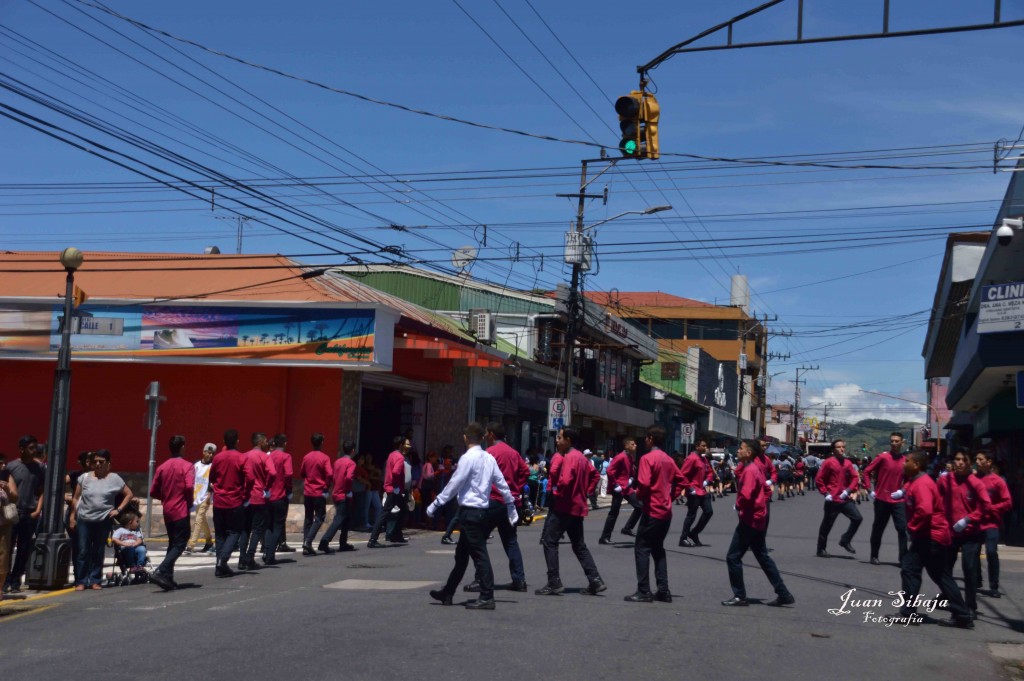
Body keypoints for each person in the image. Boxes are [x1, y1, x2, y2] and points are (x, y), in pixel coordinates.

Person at [427, 422, 518, 610]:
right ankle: (448, 592)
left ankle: (487, 596)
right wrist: (510, 503)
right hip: (481, 512)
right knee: (461, 556)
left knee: (479, 555)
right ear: (482, 438)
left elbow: (455, 483)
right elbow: (501, 482)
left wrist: (437, 503)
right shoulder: (488, 458)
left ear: (465, 437)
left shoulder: (467, 458)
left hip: (470, 512)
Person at [898, 450, 973, 628]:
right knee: (935, 574)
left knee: (912, 570)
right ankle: (961, 614)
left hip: (930, 536)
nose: (903, 463)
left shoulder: (922, 483)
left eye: (907, 461)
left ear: (916, 465)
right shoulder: (914, 481)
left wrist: (911, 527)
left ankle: (909, 613)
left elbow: (925, 510)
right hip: (927, 535)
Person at [721, 439, 794, 607]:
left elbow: (746, 496)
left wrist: (739, 505)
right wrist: (761, 505)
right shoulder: (755, 468)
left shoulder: (749, 470)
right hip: (758, 518)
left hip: (750, 520)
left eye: (741, 448)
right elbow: (766, 490)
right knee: (762, 556)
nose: (738, 451)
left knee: (733, 557)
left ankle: (739, 595)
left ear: (748, 453)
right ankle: (783, 593)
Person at [535, 427, 606, 597]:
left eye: (560, 437)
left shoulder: (570, 457)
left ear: (568, 440)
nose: (557, 440)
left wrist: (557, 494)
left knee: (549, 541)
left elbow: (565, 481)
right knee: (579, 545)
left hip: (564, 506)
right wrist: (586, 492)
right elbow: (595, 476)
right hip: (577, 506)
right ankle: (595, 579)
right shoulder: (581, 457)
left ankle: (554, 581)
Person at [462, 422, 529, 593]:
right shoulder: (513, 452)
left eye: (486, 433)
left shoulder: (489, 453)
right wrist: (516, 487)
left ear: (491, 434)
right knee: (511, 541)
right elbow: (525, 472)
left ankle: (481, 579)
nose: (485, 436)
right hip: (510, 502)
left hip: (493, 501)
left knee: (478, 540)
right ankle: (519, 580)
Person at [625, 425, 685, 603]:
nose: (645, 440)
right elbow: (682, 481)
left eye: (646, 437)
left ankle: (644, 590)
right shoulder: (668, 459)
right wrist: (670, 497)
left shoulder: (647, 458)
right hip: (665, 512)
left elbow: (643, 483)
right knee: (658, 549)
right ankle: (663, 590)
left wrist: (639, 496)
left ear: (650, 438)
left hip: (652, 510)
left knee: (642, 548)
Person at [937, 449, 990, 620]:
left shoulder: (975, 483)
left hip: (971, 533)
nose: (959, 463)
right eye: (957, 459)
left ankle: (970, 606)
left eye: (963, 460)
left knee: (969, 568)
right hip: (950, 531)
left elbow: (985, 505)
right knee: (945, 568)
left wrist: (968, 519)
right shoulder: (945, 480)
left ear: (969, 463)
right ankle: (948, 597)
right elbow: (937, 500)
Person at [70, 449, 134, 591]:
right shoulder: (84, 478)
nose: (98, 464)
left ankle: (95, 580)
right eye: (95, 462)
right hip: (84, 519)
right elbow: (76, 498)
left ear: (108, 463)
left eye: (101, 462)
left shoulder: (115, 479)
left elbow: (129, 494)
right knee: (83, 550)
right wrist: (72, 516)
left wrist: (118, 510)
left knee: (98, 551)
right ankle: (81, 581)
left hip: (103, 520)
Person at [148, 434, 195, 590]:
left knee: (173, 543)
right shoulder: (187, 466)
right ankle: (161, 570)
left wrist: (165, 497)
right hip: (180, 509)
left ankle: (168, 576)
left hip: (167, 509)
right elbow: (189, 486)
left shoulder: (162, 467)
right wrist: (189, 501)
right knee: (181, 542)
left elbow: (153, 491)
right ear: (182, 447)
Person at [3, 436, 44, 594]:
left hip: (29, 513)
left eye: (35, 448)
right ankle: (5, 580)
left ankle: (15, 581)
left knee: (24, 549)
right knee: (7, 548)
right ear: (21, 449)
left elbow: (42, 491)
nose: (34, 451)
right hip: (12, 512)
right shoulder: (11, 467)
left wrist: (37, 510)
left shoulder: (39, 468)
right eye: (31, 448)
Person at [864, 432, 909, 566]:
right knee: (878, 528)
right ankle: (874, 555)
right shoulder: (883, 457)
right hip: (882, 499)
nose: (894, 443)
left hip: (897, 500)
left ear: (902, 443)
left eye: (897, 441)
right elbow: (866, 472)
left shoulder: (905, 461)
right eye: (892, 441)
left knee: (903, 529)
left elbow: (909, 479)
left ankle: (903, 558)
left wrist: (902, 491)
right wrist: (869, 489)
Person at [209, 429, 250, 578]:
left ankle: (219, 565)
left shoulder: (218, 458)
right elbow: (250, 478)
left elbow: (212, 477)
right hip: (235, 500)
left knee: (220, 534)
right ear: (237, 441)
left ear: (224, 442)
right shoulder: (241, 457)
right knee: (235, 532)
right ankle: (222, 560)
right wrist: (245, 494)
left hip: (219, 500)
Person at [815, 439, 862, 558]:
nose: (842, 449)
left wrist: (848, 490)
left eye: (843, 447)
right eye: (838, 447)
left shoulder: (848, 463)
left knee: (857, 518)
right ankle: (821, 549)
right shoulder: (828, 462)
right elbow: (819, 479)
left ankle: (845, 540)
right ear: (833, 449)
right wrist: (826, 493)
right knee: (827, 524)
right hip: (832, 499)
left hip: (844, 499)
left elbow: (855, 477)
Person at [974, 451, 1011, 598]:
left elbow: (1007, 502)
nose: (977, 462)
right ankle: (976, 580)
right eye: (976, 459)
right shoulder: (972, 479)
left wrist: (992, 509)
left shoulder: (998, 481)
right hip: (975, 523)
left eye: (980, 459)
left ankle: (994, 585)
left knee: (991, 552)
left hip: (991, 523)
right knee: (973, 552)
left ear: (988, 462)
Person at [239, 432, 275, 570]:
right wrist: (267, 486)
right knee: (257, 529)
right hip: (259, 495)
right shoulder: (264, 456)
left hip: (246, 496)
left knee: (245, 529)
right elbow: (272, 473)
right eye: (265, 441)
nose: (267, 444)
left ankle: (242, 558)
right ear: (260, 442)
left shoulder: (244, 456)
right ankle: (250, 557)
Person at [368, 436, 411, 548]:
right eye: (405, 444)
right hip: (394, 489)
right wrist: (396, 486)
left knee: (403, 509)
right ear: (401, 445)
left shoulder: (391, 455)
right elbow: (396, 472)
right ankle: (373, 539)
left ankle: (396, 534)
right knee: (385, 513)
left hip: (391, 488)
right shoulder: (400, 457)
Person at [599, 437, 642, 544]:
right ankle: (604, 537)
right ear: (626, 446)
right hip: (618, 488)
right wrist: (615, 485)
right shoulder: (620, 457)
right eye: (632, 444)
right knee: (614, 513)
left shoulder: (630, 457)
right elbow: (610, 470)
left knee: (639, 507)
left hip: (626, 488)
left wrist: (631, 479)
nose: (635, 446)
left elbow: (631, 471)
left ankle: (627, 528)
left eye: (635, 444)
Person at [319, 441, 357, 553]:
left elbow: (331, 475)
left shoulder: (337, 462)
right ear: (353, 451)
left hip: (336, 492)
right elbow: (349, 477)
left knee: (346, 518)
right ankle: (324, 541)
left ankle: (343, 543)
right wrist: (348, 491)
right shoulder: (351, 463)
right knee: (339, 519)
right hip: (344, 494)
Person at [678, 438, 715, 547]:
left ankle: (694, 533)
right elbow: (682, 475)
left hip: (702, 490)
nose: (705, 448)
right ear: (697, 447)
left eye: (706, 446)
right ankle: (683, 538)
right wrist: (689, 488)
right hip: (694, 491)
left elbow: (710, 472)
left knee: (709, 511)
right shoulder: (691, 458)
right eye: (703, 446)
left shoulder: (704, 459)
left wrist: (707, 480)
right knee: (691, 515)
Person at [299, 433, 332, 555]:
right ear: (322, 442)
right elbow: (329, 474)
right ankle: (308, 541)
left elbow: (302, 472)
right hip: (319, 491)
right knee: (319, 517)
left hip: (308, 491)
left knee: (308, 518)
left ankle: (305, 545)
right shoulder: (325, 458)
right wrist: (326, 486)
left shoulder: (306, 457)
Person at [264, 434, 293, 565]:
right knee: (278, 526)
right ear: (285, 443)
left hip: (268, 495)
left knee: (269, 526)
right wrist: (289, 490)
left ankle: (266, 551)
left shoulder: (268, 456)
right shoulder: (286, 457)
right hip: (280, 495)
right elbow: (288, 474)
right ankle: (270, 555)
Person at [185, 443, 215, 555]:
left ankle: (191, 545)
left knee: (198, 520)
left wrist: (209, 494)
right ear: (204, 452)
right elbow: (192, 480)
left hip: (206, 496)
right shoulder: (196, 465)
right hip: (196, 496)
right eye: (209, 452)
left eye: (212, 453)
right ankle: (209, 542)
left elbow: (212, 481)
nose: (210, 455)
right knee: (202, 520)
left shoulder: (213, 466)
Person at [0, 463, 19, 599]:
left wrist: (7, 490)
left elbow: (15, 498)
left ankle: (0, 588)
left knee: (3, 555)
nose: (3, 465)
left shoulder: (7, 477)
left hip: (3, 523)